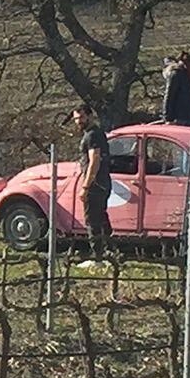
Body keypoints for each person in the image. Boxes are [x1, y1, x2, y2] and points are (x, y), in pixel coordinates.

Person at [74, 103, 113, 265]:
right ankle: (110, 252)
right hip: (104, 182)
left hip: (95, 184)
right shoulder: (97, 134)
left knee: (92, 221)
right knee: (102, 218)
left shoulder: (92, 135)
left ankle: (97, 258)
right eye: (76, 118)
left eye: (82, 117)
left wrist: (85, 186)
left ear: (90, 116)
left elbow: (94, 160)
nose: (78, 121)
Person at [161, 55, 190, 125]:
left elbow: (169, 96)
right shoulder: (185, 73)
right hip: (189, 114)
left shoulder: (173, 74)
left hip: (178, 116)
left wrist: (167, 117)